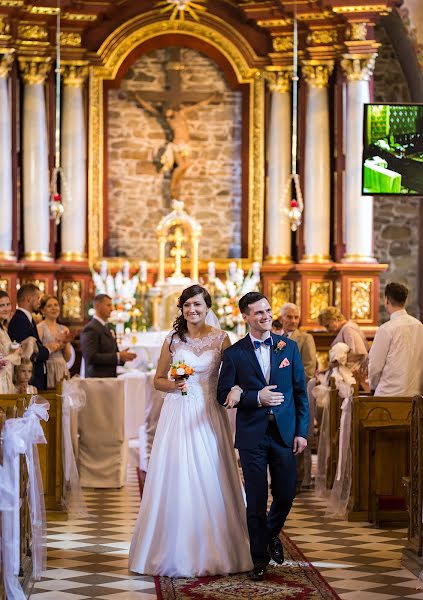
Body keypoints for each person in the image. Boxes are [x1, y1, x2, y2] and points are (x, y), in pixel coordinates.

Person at [129, 285, 252, 577]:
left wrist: (234, 390)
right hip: (177, 412)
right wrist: (173, 384)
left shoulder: (222, 338)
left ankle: (218, 547)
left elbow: (236, 376)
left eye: (197, 305)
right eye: (186, 305)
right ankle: (172, 548)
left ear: (207, 307)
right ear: (181, 309)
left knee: (212, 472)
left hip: (208, 412)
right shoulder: (173, 340)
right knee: (177, 473)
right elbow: (158, 379)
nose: (192, 310)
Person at [217, 292, 309, 581]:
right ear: (245, 317)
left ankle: (269, 535)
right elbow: (223, 394)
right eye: (258, 313)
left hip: (284, 435)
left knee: (285, 493)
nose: (266, 316)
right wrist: (256, 398)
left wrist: (302, 433)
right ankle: (258, 558)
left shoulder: (288, 348)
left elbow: (299, 393)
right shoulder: (234, 354)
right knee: (255, 499)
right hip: (252, 436)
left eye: (268, 311)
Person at [279, 302, 317, 490]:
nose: (293, 321)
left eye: (296, 317)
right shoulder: (276, 338)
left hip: (296, 393)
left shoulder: (305, 338)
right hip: (279, 396)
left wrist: (293, 387)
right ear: (281, 319)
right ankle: (281, 477)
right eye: (289, 317)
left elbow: (309, 367)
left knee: (298, 435)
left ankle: (299, 479)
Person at [368, 282, 423, 396]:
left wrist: (373, 386)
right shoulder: (419, 326)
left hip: (388, 396)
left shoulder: (386, 329)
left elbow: (375, 365)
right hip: (415, 395)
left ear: (386, 300)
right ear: (405, 301)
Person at [8, 283, 59, 391]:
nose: (39, 302)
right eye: (37, 298)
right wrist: (50, 349)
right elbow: (27, 352)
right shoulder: (19, 320)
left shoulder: (28, 319)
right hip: (28, 378)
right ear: (28, 299)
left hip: (36, 377)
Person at [80, 294, 136, 378]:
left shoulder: (107, 327)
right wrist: (118, 356)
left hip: (109, 379)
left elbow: (110, 354)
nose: (112, 309)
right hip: (96, 380)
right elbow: (91, 357)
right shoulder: (90, 328)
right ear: (98, 306)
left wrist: (122, 357)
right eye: (108, 305)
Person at [318, 306, 369, 385]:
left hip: (355, 377)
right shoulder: (344, 329)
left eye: (327, 326)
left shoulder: (348, 329)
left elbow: (360, 353)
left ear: (335, 319)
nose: (327, 330)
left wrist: (335, 364)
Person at [37, 295, 73, 388]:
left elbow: (67, 358)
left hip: (61, 367)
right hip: (48, 367)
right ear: (43, 310)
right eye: (49, 306)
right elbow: (37, 353)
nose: (54, 308)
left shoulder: (64, 329)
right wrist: (54, 346)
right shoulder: (40, 328)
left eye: (56, 305)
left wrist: (65, 343)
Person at [0, 290, 22, 393]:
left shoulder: (4, 329)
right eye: (1, 305)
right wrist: (14, 355)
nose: (6, 309)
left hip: (6, 379)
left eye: (8, 304)